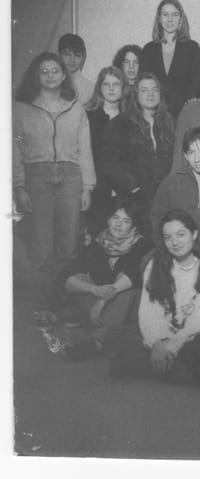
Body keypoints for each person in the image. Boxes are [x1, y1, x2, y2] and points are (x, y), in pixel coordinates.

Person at [109, 210, 200, 388]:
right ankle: (187, 373)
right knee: (117, 333)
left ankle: (145, 366)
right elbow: (149, 311)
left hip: (195, 335)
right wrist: (156, 344)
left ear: (194, 234)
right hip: (164, 334)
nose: (174, 242)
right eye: (168, 237)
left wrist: (173, 345)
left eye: (181, 234)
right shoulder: (155, 265)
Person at [13, 52, 95, 316]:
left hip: (71, 178)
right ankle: (44, 307)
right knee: (41, 248)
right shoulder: (21, 108)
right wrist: (19, 186)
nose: (50, 75)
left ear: (63, 76)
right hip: (37, 178)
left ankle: (65, 305)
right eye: (44, 71)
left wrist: (87, 187)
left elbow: (85, 149)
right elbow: (14, 149)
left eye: (55, 71)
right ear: (36, 75)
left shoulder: (75, 107)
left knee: (68, 246)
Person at [59, 201, 152, 360]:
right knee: (79, 279)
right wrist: (94, 289)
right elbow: (67, 277)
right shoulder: (98, 243)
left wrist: (102, 299)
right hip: (101, 308)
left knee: (127, 290)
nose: (118, 224)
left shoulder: (142, 244)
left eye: (126, 221)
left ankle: (97, 342)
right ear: (108, 220)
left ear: (134, 226)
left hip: (127, 307)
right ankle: (105, 332)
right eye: (115, 218)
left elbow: (133, 276)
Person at [99, 72, 175, 238]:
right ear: (135, 94)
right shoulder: (120, 124)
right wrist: (133, 187)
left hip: (165, 197)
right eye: (144, 90)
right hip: (133, 200)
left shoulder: (169, 122)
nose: (150, 94)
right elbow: (109, 163)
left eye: (155, 89)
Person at [141, 0, 200, 118]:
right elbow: (144, 85)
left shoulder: (192, 48)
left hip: (184, 113)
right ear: (159, 19)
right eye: (165, 14)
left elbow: (194, 86)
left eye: (174, 15)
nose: (170, 19)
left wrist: (186, 113)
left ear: (181, 19)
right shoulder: (148, 49)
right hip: (155, 114)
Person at [85, 66, 126, 234]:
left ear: (123, 88)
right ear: (99, 88)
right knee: (97, 234)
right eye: (106, 84)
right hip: (96, 188)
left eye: (116, 84)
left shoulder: (130, 117)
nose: (111, 88)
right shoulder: (88, 116)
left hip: (124, 189)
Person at [58, 33, 95, 106]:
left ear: (83, 58)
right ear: (59, 55)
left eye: (77, 55)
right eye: (67, 54)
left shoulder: (91, 89)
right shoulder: (51, 84)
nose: (72, 59)